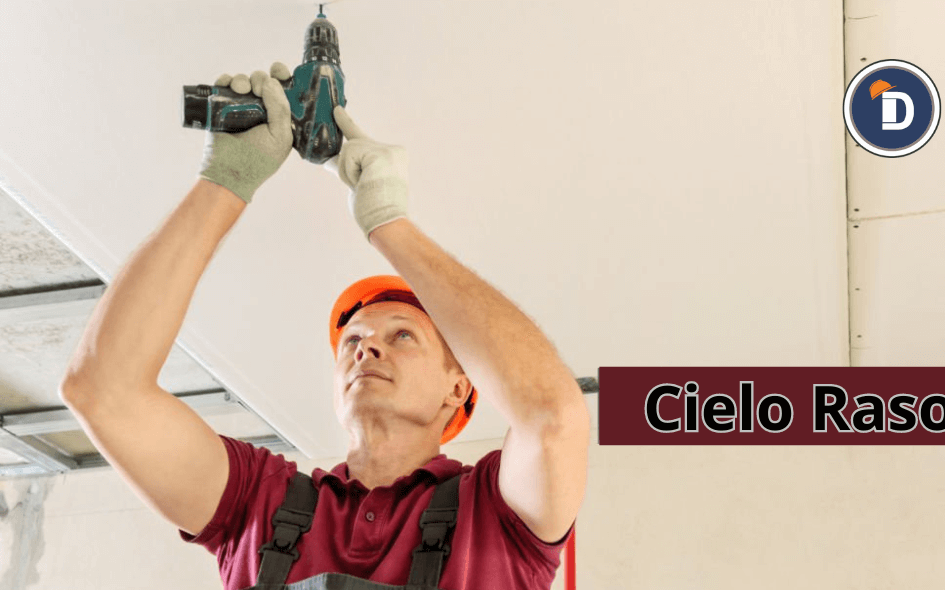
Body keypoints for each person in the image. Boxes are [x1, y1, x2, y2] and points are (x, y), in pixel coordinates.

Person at [59, 62, 590, 590]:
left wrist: (388, 222)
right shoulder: (255, 502)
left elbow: (552, 415)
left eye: (402, 335)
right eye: (353, 340)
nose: (366, 349)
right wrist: (225, 182)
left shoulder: (495, 514)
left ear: (459, 386)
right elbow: (104, 391)